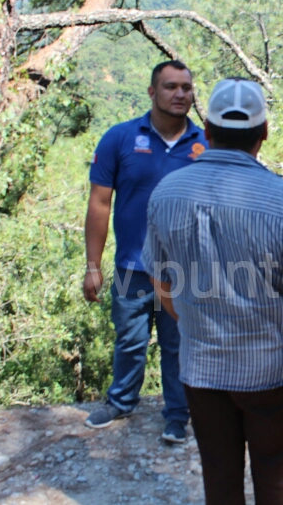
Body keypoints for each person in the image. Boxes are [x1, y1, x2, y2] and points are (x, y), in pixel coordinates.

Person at [142, 77, 283, 505]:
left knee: (220, 479)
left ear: (207, 131)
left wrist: (195, 318)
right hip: (268, 373)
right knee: (274, 480)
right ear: (263, 132)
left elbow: (162, 282)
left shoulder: (166, 193)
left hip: (202, 370)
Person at [83, 60, 208, 443]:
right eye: (171, 87)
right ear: (152, 92)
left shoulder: (204, 145)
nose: (180, 94)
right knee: (130, 340)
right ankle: (121, 401)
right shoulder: (120, 138)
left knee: (178, 344)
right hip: (132, 266)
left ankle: (177, 415)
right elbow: (99, 204)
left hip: (184, 271)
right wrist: (92, 265)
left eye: (186, 87)